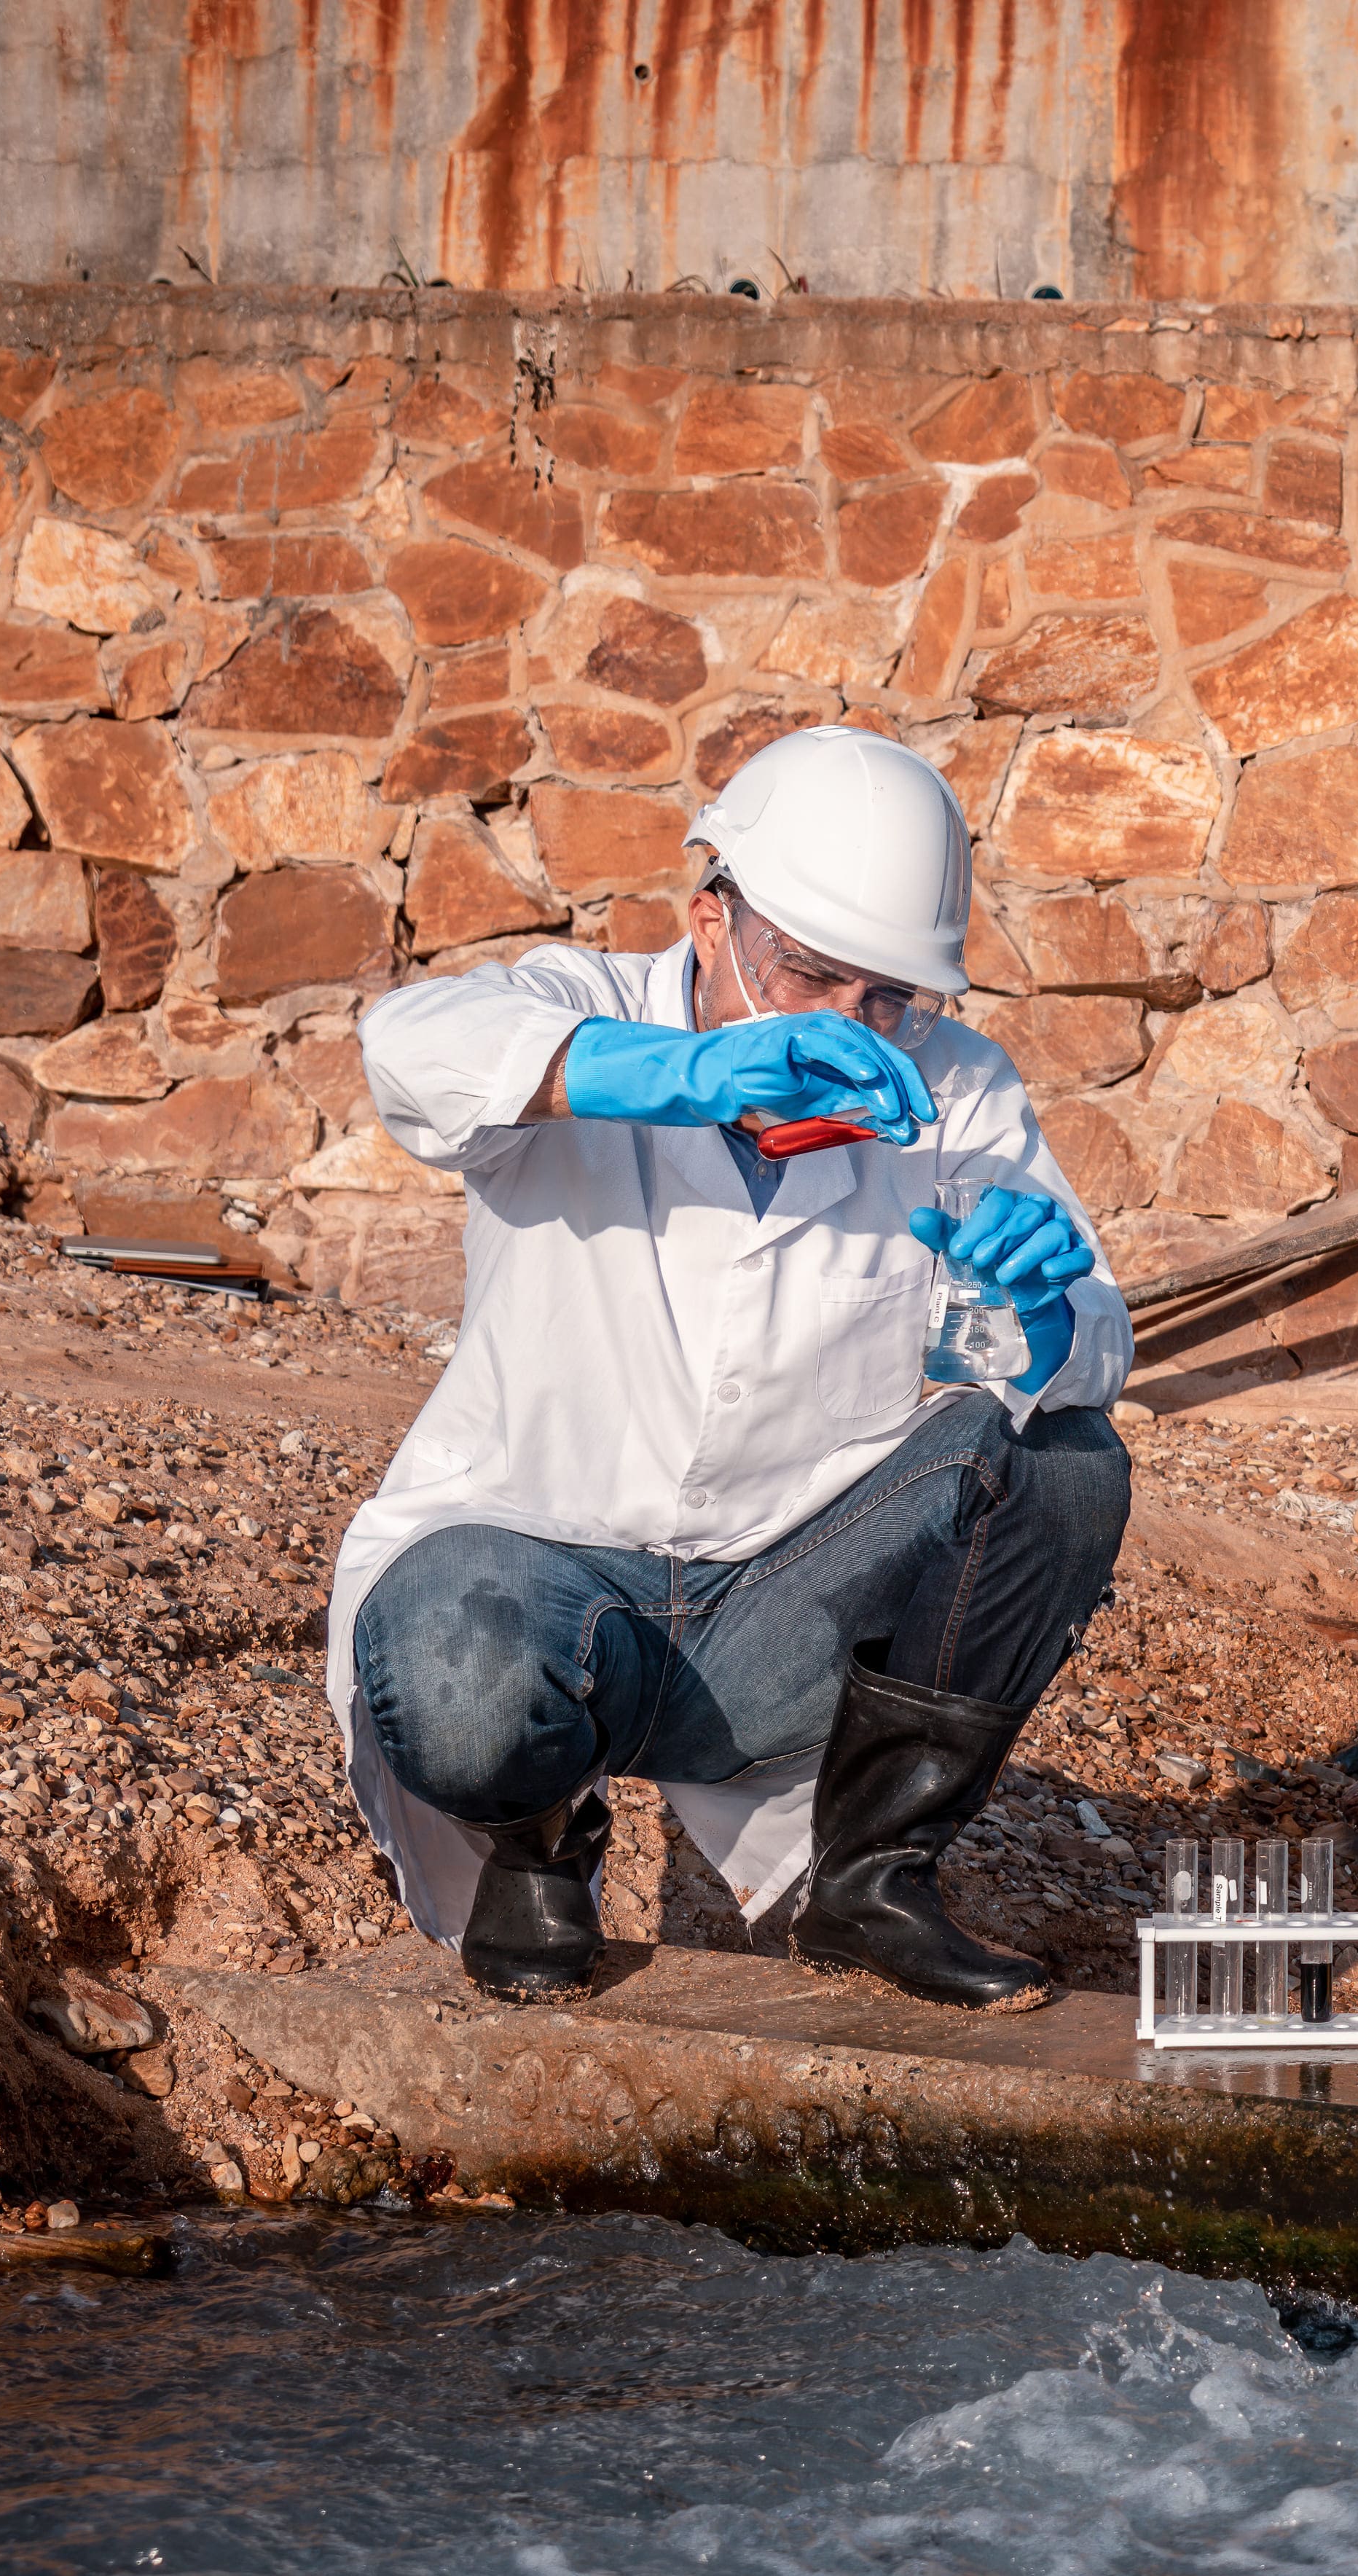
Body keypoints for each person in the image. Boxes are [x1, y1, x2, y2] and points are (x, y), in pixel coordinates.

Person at [324, 725, 1130, 2011]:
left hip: (775, 1610)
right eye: (812, 977)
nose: (856, 1030)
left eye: (890, 1000)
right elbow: (409, 1049)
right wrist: (683, 1075)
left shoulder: (956, 1090)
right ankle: (537, 1845)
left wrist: (1043, 1308)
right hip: (531, 1578)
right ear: (711, 920)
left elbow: (1089, 1343)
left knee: (1065, 1462)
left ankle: (871, 1880)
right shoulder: (580, 1015)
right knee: (453, 1661)